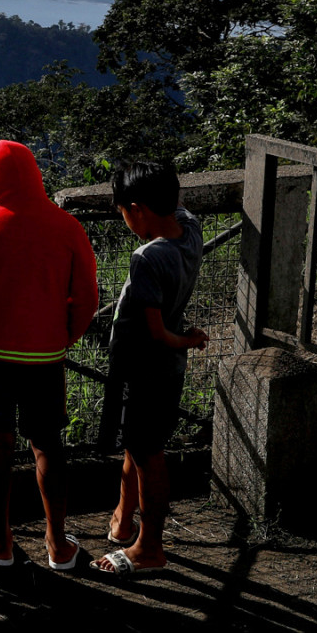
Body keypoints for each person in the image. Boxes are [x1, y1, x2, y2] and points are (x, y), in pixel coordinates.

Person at [0, 140, 100, 571]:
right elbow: (88, 298)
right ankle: (58, 543)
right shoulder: (67, 226)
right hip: (45, 357)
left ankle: (1, 543)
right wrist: (62, 337)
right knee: (47, 446)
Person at [94, 160, 207, 577]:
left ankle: (150, 547)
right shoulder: (190, 230)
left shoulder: (147, 258)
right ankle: (124, 520)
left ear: (137, 209)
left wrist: (189, 339)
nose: (123, 217)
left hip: (146, 367)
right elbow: (179, 207)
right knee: (138, 443)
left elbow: (158, 333)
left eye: (123, 209)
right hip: (165, 371)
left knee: (148, 453)